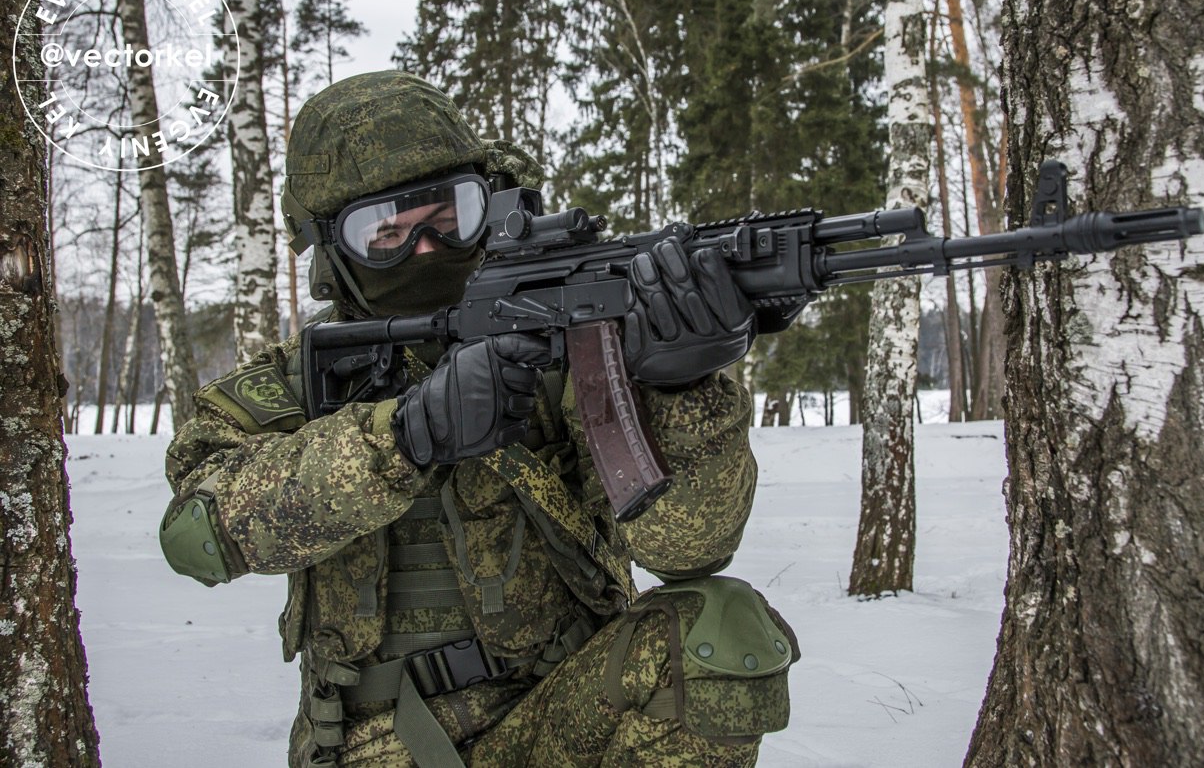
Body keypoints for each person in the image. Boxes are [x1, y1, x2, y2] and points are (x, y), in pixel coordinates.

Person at [160, 70, 797, 767]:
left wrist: (684, 386)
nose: (424, 250)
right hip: (381, 743)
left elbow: (690, 552)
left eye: (447, 217)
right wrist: (404, 435)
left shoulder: (570, 350)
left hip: (567, 713)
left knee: (720, 633)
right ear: (329, 250)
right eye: (384, 233)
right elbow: (198, 534)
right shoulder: (294, 383)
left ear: (487, 207)